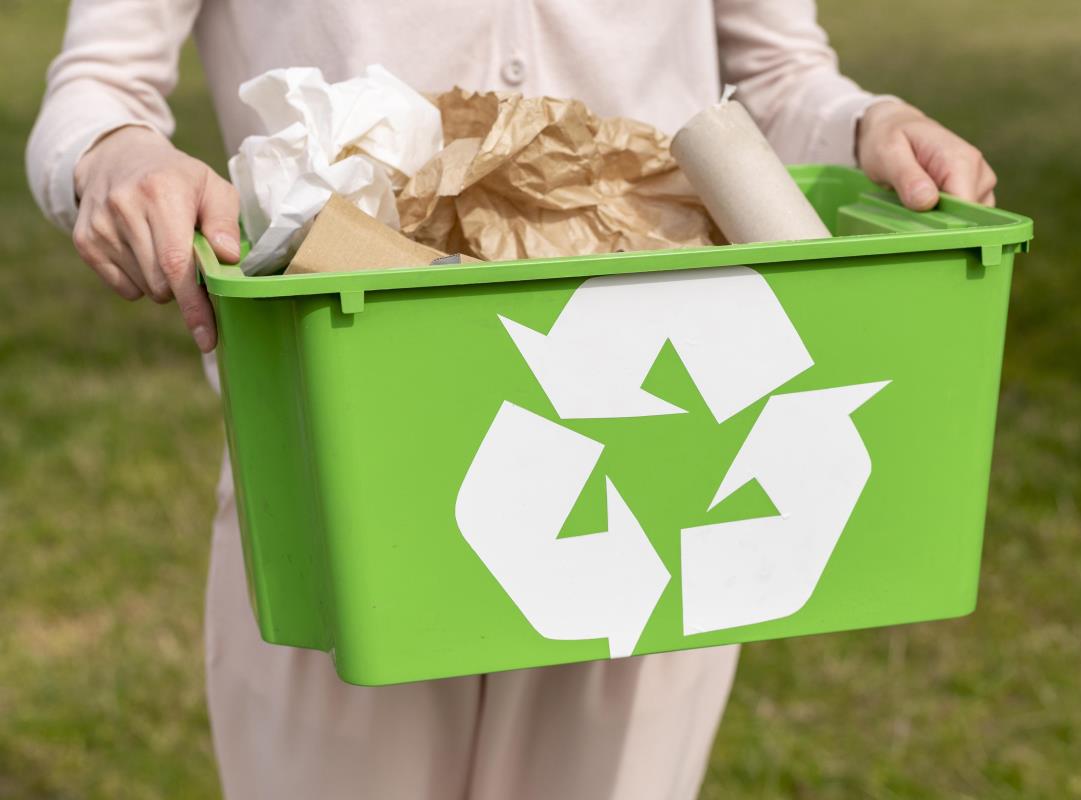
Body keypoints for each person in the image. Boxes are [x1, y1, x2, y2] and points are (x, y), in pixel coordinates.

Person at [26, 2, 997, 798]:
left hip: (668, 452)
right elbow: (99, 87)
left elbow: (780, 76)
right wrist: (113, 155)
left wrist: (872, 122)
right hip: (354, 463)